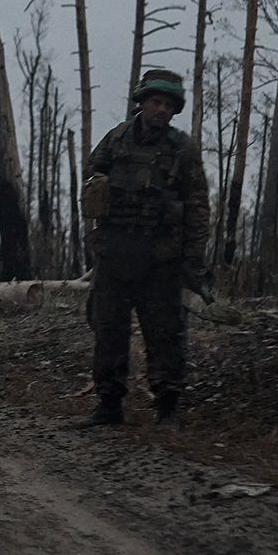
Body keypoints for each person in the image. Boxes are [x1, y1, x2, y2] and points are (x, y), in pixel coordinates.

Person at [75, 67, 210, 428]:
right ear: (141, 103)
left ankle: (167, 407)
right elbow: (91, 171)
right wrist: (106, 190)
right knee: (108, 330)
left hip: (161, 257)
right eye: (155, 102)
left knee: (164, 333)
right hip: (116, 252)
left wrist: (194, 259)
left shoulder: (182, 148)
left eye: (167, 104)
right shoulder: (117, 139)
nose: (161, 109)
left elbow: (197, 204)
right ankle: (108, 405)